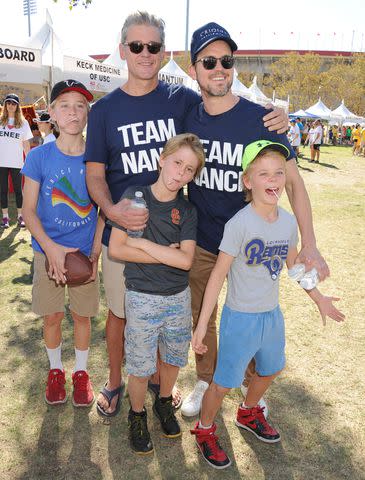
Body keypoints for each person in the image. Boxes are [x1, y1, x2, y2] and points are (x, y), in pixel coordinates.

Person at [85, 11, 287, 417]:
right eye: (137, 46)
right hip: (129, 231)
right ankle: (115, 381)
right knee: (123, 313)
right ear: (123, 49)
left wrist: (277, 116)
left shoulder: (183, 100)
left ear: (165, 53)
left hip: (182, 231)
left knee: (180, 313)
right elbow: (94, 173)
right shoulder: (105, 109)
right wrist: (112, 212)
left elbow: (224, 103)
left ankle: (170, 385)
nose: (145, 53)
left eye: (154, 46)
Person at [181, 23, 330, 418]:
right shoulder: (185, 116)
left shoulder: (261, 119)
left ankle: (248, 385)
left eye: (226, 61)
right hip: (204, 239)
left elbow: (294, 184)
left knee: (250, 315)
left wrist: (310, 244)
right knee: (204, 315)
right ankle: (204, 378)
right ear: (193, 68)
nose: (219, 69)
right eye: (208, 61)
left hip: (254, 243)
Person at [190, 140, 345, 469]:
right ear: (248, 181)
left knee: (272, 368)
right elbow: (217, 275)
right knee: (223, 383)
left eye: (278, 172)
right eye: (263, 173)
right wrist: (203, 325)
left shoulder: (288, 223)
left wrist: (318, 297)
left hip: (270, 316)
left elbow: (294, 267)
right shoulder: (239, 224)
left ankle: (248, 412)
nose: (273, 179)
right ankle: (204, 429)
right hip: (240, 318)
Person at [107, 133, 204, 454]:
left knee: (174, 359)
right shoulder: (135, 196)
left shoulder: (187, 210)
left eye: (189, 170)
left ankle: (164, 402)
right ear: (162, 159)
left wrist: (145, 243)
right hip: (142, 296)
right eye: (177, 163)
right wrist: (166, 251)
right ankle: (137, 415)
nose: (181, 173)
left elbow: (186, 259)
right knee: (139, 364)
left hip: (178, 298)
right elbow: (119, 248)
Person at [22, 80, 103, 407]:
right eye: (65, 105)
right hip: (46, 253)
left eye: (80, 106)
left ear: (87, 114)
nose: (73, 111)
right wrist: (51, 249)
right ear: (52, 113)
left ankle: (81, 373)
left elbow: (103, 210)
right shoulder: (40, 156)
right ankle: (56, 370)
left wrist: (95, 251)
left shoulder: (97, 159)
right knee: (52, 317)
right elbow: (28, 210)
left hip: (83, 255)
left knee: (82, 317)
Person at [0, 93, 32, 228]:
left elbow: (26, 145)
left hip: (17, 163)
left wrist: (30, 162)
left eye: (13, 103)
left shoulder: (23, 123)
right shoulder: (0, 121)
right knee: (2, 190)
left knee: (19, 191)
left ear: (17, 106)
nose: (11, 105)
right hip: (1, 162)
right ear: (5, 105)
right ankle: (5, 218)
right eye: (8, 103)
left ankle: (20, 217)